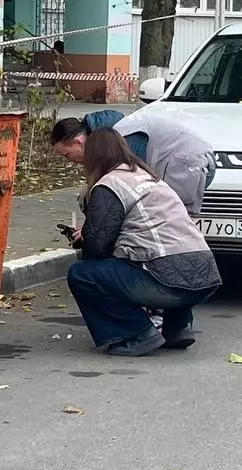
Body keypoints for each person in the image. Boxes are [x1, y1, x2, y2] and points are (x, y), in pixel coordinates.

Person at [65, 129, 222, 356]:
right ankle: (177, 327)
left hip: (169, 280)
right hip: (204, 276)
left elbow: (97, 248)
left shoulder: (110, 184)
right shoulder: (150, 177)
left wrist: (87, 237)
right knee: (158, 255)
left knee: (82, 274)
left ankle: (136, 333)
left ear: (93, 156)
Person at [50, 109, 216, 215]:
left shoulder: (123, 137)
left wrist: (95, 230)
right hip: (184, 163)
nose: (70, 162)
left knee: (171, 219)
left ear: (78, 142)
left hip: (187, 164)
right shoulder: (111, 135)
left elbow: (131, 190)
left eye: (66, 155)